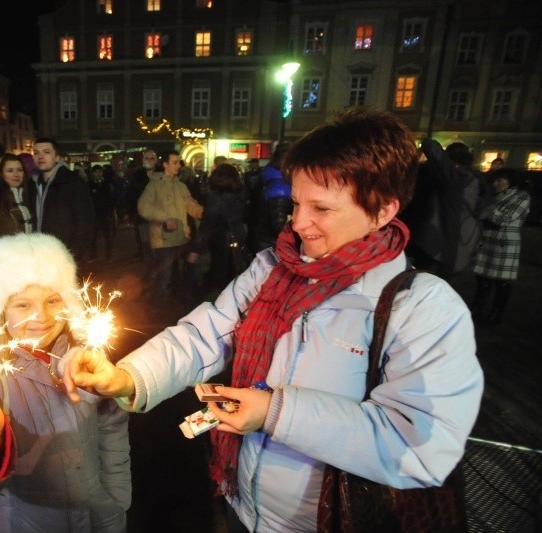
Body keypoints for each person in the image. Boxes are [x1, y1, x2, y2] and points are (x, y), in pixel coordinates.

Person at [62, 107, 484, 532]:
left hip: (329, 520)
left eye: (322, 208)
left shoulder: (422, 307)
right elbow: (207, 334)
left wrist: (275, 412)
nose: (299, 223)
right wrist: (128, 377)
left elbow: (423, 446)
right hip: (242, 504)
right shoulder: (272, 268)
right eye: (297, 202)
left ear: (382, 211)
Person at [0, 233, 132, 531]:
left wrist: (117, 502)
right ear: (0, 312)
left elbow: (112, 432)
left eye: (53, 300)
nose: (41, 315)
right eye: (23, 305)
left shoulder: (90, 361)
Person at [404, 138, 486, 280]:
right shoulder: (475, 179)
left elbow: (430, 146)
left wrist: (422, 141)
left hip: (437, 247)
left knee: (423, 285)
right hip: (459, 247)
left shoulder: (457, 176)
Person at [137, 149, 203, 305]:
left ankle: (182, 296)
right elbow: (143, 207)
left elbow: (189, 204)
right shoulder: (154, 185)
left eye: (179, 162)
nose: (178, 165)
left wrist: (201, 211)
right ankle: (155, 304)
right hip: (163, 239)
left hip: (181, 237)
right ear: (165, 164)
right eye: (175, 162)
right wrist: (164, 218)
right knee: (164, 274)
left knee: (189, 267)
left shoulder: (181, 186)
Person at [470, 167, 531, 325]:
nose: (495, 184)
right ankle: (477, 308)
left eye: (499, 180)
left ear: (510, 182)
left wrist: (487, 210)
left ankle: (496, 313)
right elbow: (478, 213)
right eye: (494, 181)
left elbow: (506, 218)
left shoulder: (521, 196)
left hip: (505, 243)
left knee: (502, 282)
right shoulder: (494, 197)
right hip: (488, 240)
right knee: (482, 279)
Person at [29, 137, 95, 273]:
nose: (40, 156)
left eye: (46, 152)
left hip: (64, 257)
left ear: (58, 157)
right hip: (38, 257)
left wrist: (71, 255)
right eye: (36, 152)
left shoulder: (73, 183)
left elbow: (85, 223)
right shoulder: (32, 184)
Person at [185, 163, 249, 298]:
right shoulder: (241, 193)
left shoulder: (216, 198)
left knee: (219, 271)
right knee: (234, 269)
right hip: (237, 234)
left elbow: (207, 224)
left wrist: (196, 249)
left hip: (220, 238)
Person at [0, 152, 35, 244]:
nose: (16, 174)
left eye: (20, 170)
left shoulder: (28, 197)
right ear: (1, 174)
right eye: (10, 170)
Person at [248, 142, 293, 253]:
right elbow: (279, 226)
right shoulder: (280, 188)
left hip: (262, 241)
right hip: (271, 246)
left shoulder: (270, 178)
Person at [127, 149, 161, 261]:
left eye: (152, 158)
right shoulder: (137, 175)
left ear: (156, 160)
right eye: (147, 158)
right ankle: (149, 264)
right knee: (145, 242)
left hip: (160, 216)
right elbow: (131, 195)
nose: (149, 160)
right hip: (142, 216)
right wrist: (131, 212)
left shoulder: (162, 174)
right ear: (143, 160)